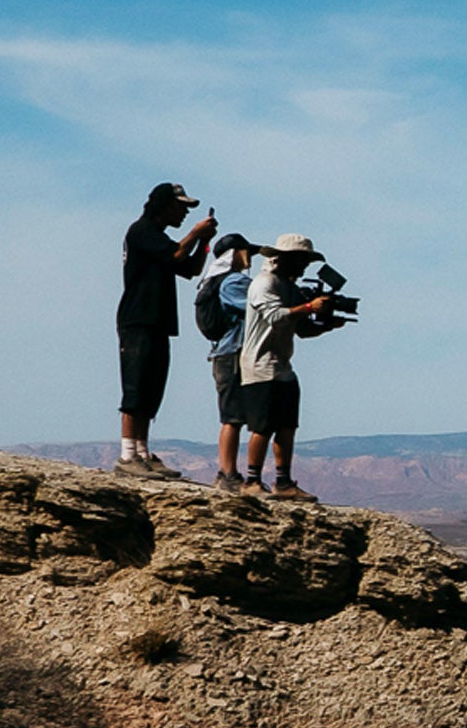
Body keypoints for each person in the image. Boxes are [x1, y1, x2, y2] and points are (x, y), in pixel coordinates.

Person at [115, 183, 220, 479]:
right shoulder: (142, 231)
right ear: (164, 204)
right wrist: (196, 235)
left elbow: (189, 269)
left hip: (157, 320)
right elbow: (176, 256)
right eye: (181, 207)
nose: (185, 213)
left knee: (151, 388)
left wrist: (203, 243)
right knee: (136, 386)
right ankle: (127, 455)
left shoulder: (158, 238)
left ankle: (142, 453)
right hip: (138, 319)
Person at [232, 233, 336, 500]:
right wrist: (309, 306)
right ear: (287, 259)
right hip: (260, 365)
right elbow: (276, 316)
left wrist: (325, 323)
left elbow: (300, 328)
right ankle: (252, 480)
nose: (304, 268)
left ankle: (284, 481)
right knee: (263, 425)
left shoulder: (288, 287)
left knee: (287, 425)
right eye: (301, 261)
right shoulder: (263, 283)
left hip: (282, 366)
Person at [199, 238, 258, 494]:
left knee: (232, 414)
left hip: (225, 352)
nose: (250, 256)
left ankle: (228, 472)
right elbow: (256, 306)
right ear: (234, 254)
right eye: (246, 251)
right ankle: (228, 473)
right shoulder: (233, 281)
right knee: (232, 416)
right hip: (232, 353)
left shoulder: (216, 281)